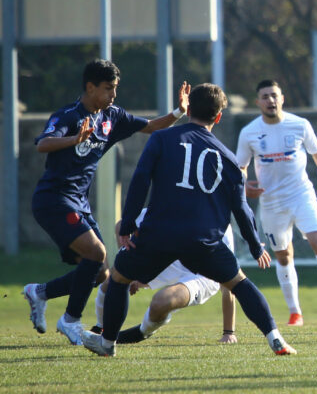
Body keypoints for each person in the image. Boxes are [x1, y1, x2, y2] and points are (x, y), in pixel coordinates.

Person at [81, 83, 296, 357]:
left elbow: (139, 181)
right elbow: (241, 208)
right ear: (218, 117)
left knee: (120, 278)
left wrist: (129, 223)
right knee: (240, 283)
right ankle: (275, 338)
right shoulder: (229, 160)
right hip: (204, 240)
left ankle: (108, 343)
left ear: (189, 109)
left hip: (160, 234)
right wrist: (256, 246)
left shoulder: (161, 139)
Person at [23, 59, 191, 346]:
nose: (114, 94)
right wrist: (75, 138)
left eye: (115, 88)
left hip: (78, 203)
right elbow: (43, 144)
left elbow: (151, 126)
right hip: (54, 200)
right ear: (90, 87)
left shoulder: (113, 116)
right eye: (108, 88)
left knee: (101, 273)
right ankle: (70, 320)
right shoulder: (68, 116)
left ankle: (40, 292)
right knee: (97, 252)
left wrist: (179, 112)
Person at [235, 80, 317, 327]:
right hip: (271, 203)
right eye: (265, 96)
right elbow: (240, 167)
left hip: (302, 196)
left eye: (274, 95)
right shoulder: (249, 132)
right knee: (283, 255)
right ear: (258, 102)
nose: (270, 100)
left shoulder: (300, 125)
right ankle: (295, 312)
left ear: (282, 98)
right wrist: (244, 185)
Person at [91, 208, 238, 344]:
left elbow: (228, 283)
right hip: (172, 260)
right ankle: (100, 328)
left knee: (161, 302)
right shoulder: (173, 201)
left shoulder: (219, 222)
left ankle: (141, 333)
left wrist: (228, 332)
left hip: (203, 275)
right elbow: (122, 226)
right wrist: (130, 269)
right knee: (113, 280)